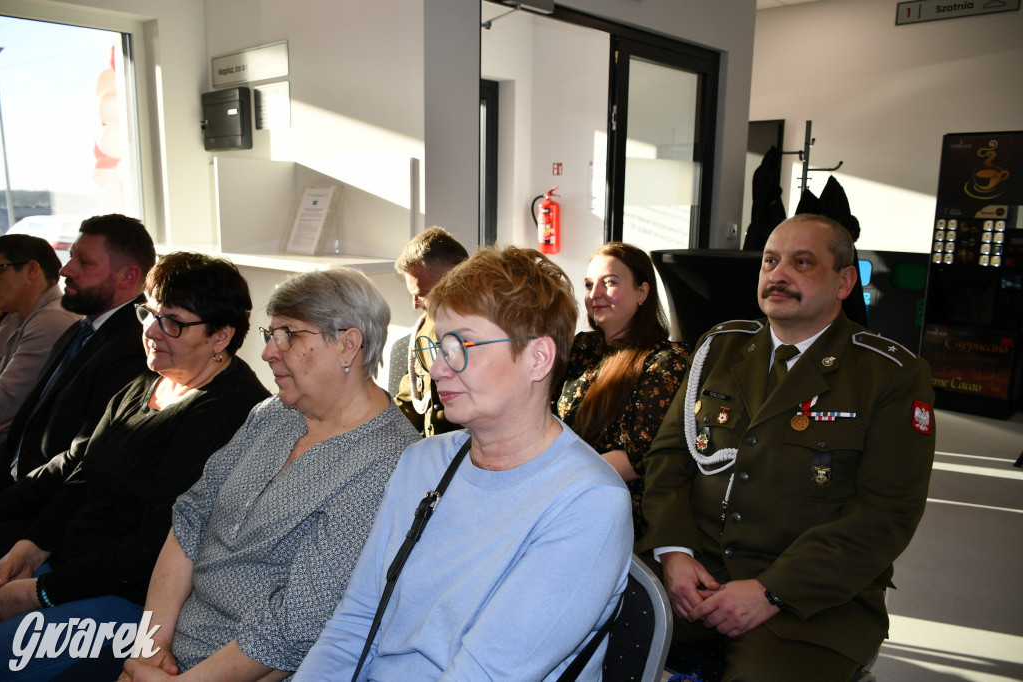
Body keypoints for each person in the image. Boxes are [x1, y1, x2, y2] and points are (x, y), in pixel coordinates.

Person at [296, 246, 633, 682]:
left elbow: (486, 673)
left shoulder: (589, 503)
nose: (437, 368)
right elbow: (355, 621)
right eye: (438, 345)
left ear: (538, 358)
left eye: (462, 345)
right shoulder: (423, 462)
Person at [639, 214, 936, 680]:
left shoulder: (889, 375)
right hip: (694, 570)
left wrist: (771, 591)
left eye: (802, 262)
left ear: (844, 282)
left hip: (811, 599)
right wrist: (674, 553)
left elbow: (886, 513)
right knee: (576, 633)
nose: (778, 275)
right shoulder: (719, 347)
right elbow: (669, 458)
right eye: (770, 261)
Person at [116, 267, 419, 682]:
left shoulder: (388, 460)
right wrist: (150, 650)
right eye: (270, 334)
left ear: (348, 345)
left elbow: (298, 625)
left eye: (288, 335)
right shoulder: (275, 413)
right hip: (165, 656)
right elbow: (190, 519)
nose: (267, 353)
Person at [0, 251, 269, 681]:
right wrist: (32, 547)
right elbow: (84, 473)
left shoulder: (228, 411)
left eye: (173, 322)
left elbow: (155, 544)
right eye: (149, 313)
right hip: (72, 569)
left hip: (136, 597)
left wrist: (38, 592)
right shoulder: (151, 378)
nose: (151, 331)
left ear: (221, 336)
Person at [0, 214, 155, 488]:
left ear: (128, 276)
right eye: (72, 256)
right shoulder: (82, 328)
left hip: (43, 497)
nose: (65, 270)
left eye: (84, 262)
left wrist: (9, 500)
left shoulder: (136, 346)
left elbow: (81, 459)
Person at [555, 242, 687, 539]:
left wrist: (553, 482)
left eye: (610, 282)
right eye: (589, 285)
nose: (594, 294)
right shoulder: (582, 347)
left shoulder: (664, 360)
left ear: (642, 293)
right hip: (562, 494)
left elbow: (635, 458)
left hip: (612, 511)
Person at [0, 235, 79, 447]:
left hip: (21, 452)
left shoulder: (52, 319)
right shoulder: (16, 316)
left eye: (0, 270)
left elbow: (6, 401)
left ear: (32, 270)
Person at [393, 226, 468, 436]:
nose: (415, 305)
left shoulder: (490, 334)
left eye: (422, 294)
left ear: (455, 279)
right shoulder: (425, 329)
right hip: (431, 447)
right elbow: (412, 400)